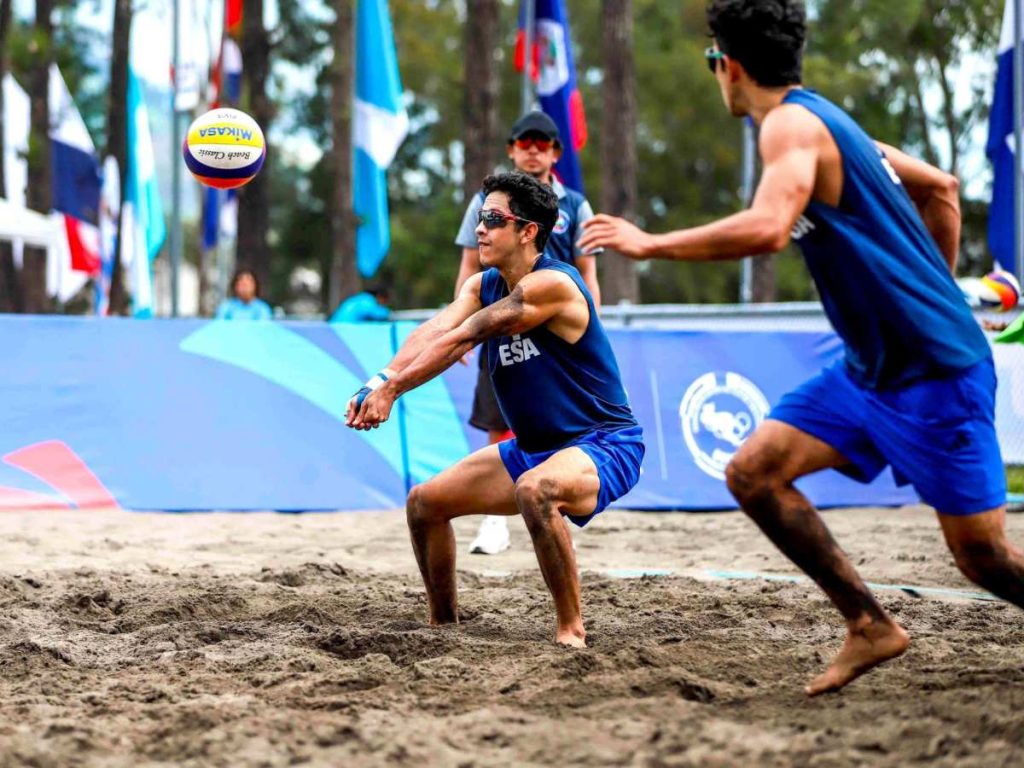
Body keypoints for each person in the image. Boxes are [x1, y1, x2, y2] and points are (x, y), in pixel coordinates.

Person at [580, 0, 1020, 696]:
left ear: (730, 64)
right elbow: (943, 188)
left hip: (937, 373)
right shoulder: (830, 122)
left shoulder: (788, 124)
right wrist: (926, 286)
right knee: (753, 472)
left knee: (985, 558)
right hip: (870, 372)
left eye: (711, 60)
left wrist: (649, 241)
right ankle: (870, 625)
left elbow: (767, 228)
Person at [347, 172, 643, 646]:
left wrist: (396, 390)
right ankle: (443, 626)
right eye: (481, 218)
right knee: (424, 504)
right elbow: (440, 325)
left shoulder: (554, 285)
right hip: (534, 449)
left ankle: (571, 629)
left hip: (603, 444)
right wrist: (379, 379)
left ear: (528, 231)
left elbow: (464, 336)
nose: (480, 228)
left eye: (492, 219)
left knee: (536, 491)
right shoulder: (483, 284)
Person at [455, 110, 602, 556]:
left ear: (556, 152)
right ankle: (494, 522)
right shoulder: (486, 205)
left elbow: (589, 273)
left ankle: (555, 499)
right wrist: (462, 326)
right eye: (526, 142)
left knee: (563, 419)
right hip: (499, 321)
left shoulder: (575, 205)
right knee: (500, 417)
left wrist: (594, 321)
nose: (534, 150)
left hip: (558, 333)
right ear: (512, 149)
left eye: (543, 143)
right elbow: (468, 268)